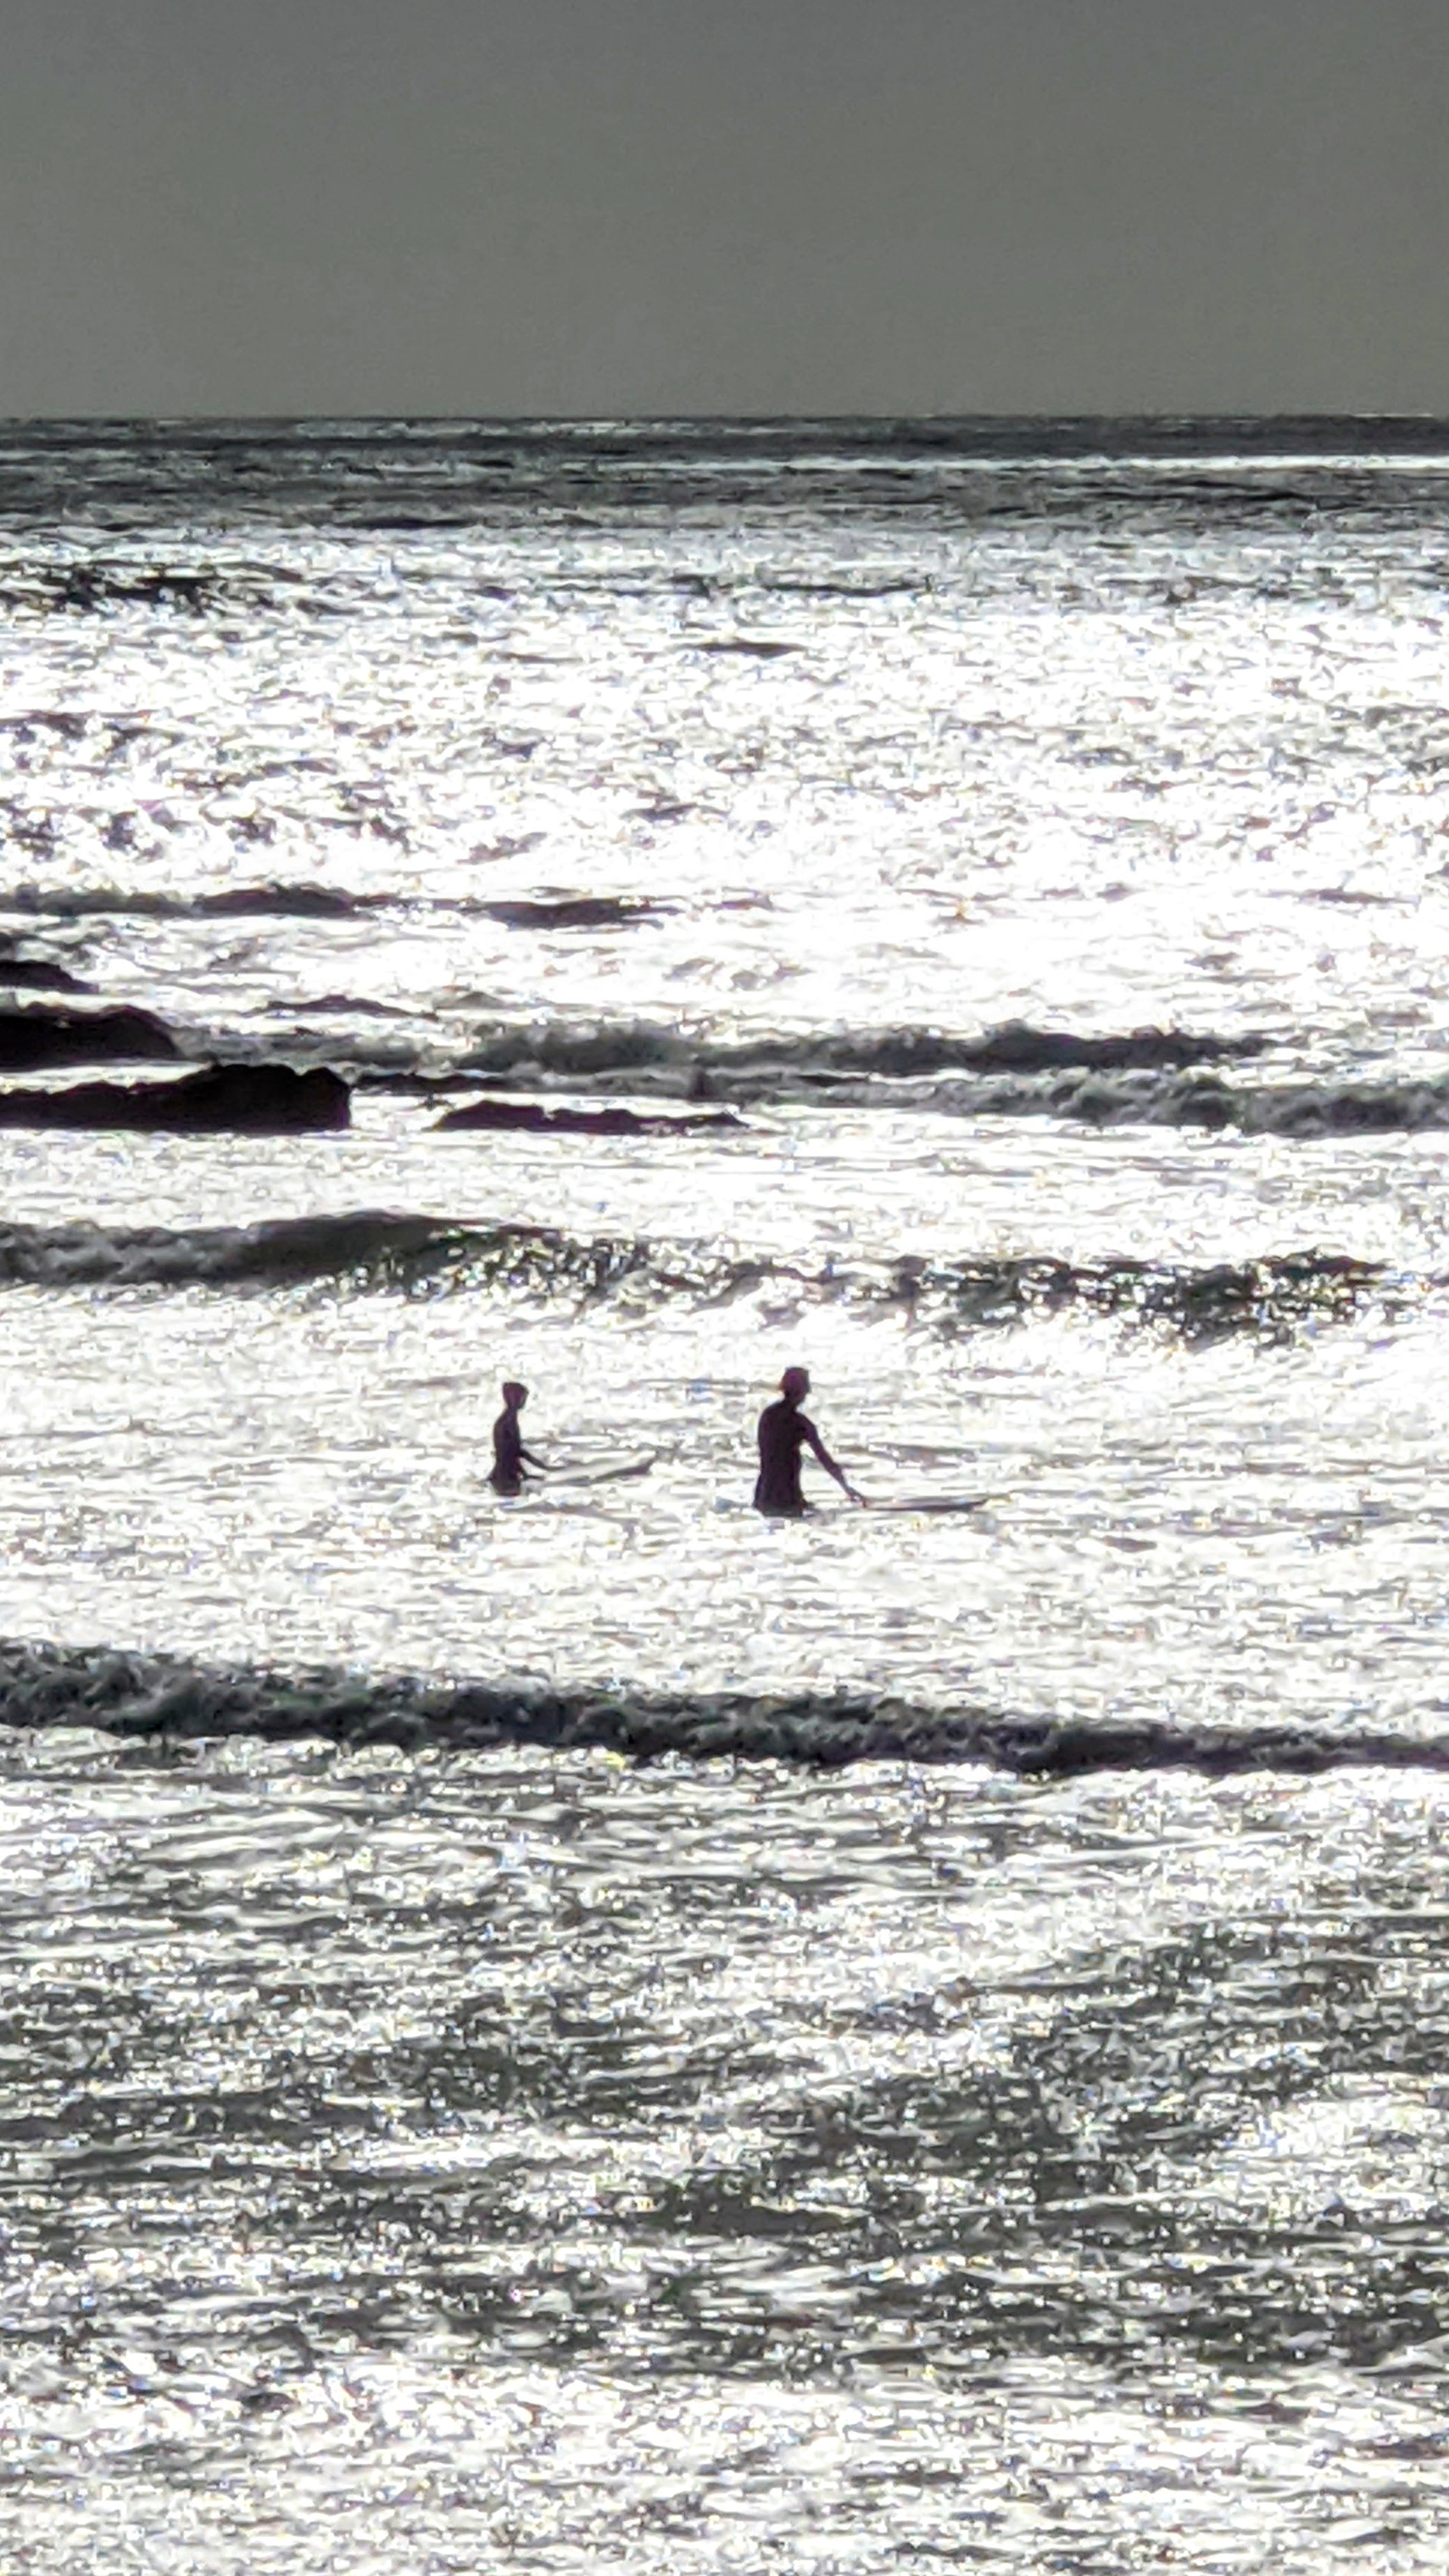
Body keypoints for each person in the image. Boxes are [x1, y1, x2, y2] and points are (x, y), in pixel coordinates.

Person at [754, 1366, 863, 1515]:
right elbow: (824, 1458)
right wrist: (847, 1488)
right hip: (788, 1496)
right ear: (802, 1393)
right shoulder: (801, 1424)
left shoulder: (768, 1416)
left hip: (764, 1494)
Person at [490, 1380, 549, 1495]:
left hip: (507, 1474)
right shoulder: (506, 1423)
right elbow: (512, 1452)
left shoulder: (508, 1421)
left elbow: (512, 1454)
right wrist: (541, 1465)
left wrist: (526, 1473)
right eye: (523, 1398)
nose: (524, 1401)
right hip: (506, 1477)